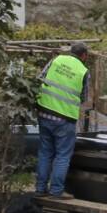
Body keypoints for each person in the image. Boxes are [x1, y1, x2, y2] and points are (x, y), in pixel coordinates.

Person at [35, 42, 91, 200]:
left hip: (44, 112)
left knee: (45, 152)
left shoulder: (56, 60)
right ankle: (56, 191)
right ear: (84, 55)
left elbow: (41, 78)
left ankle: (40, 189)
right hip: (64, 119)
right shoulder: (84, 71)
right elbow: (83, 97)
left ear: (71, 51)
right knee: (62, 156)